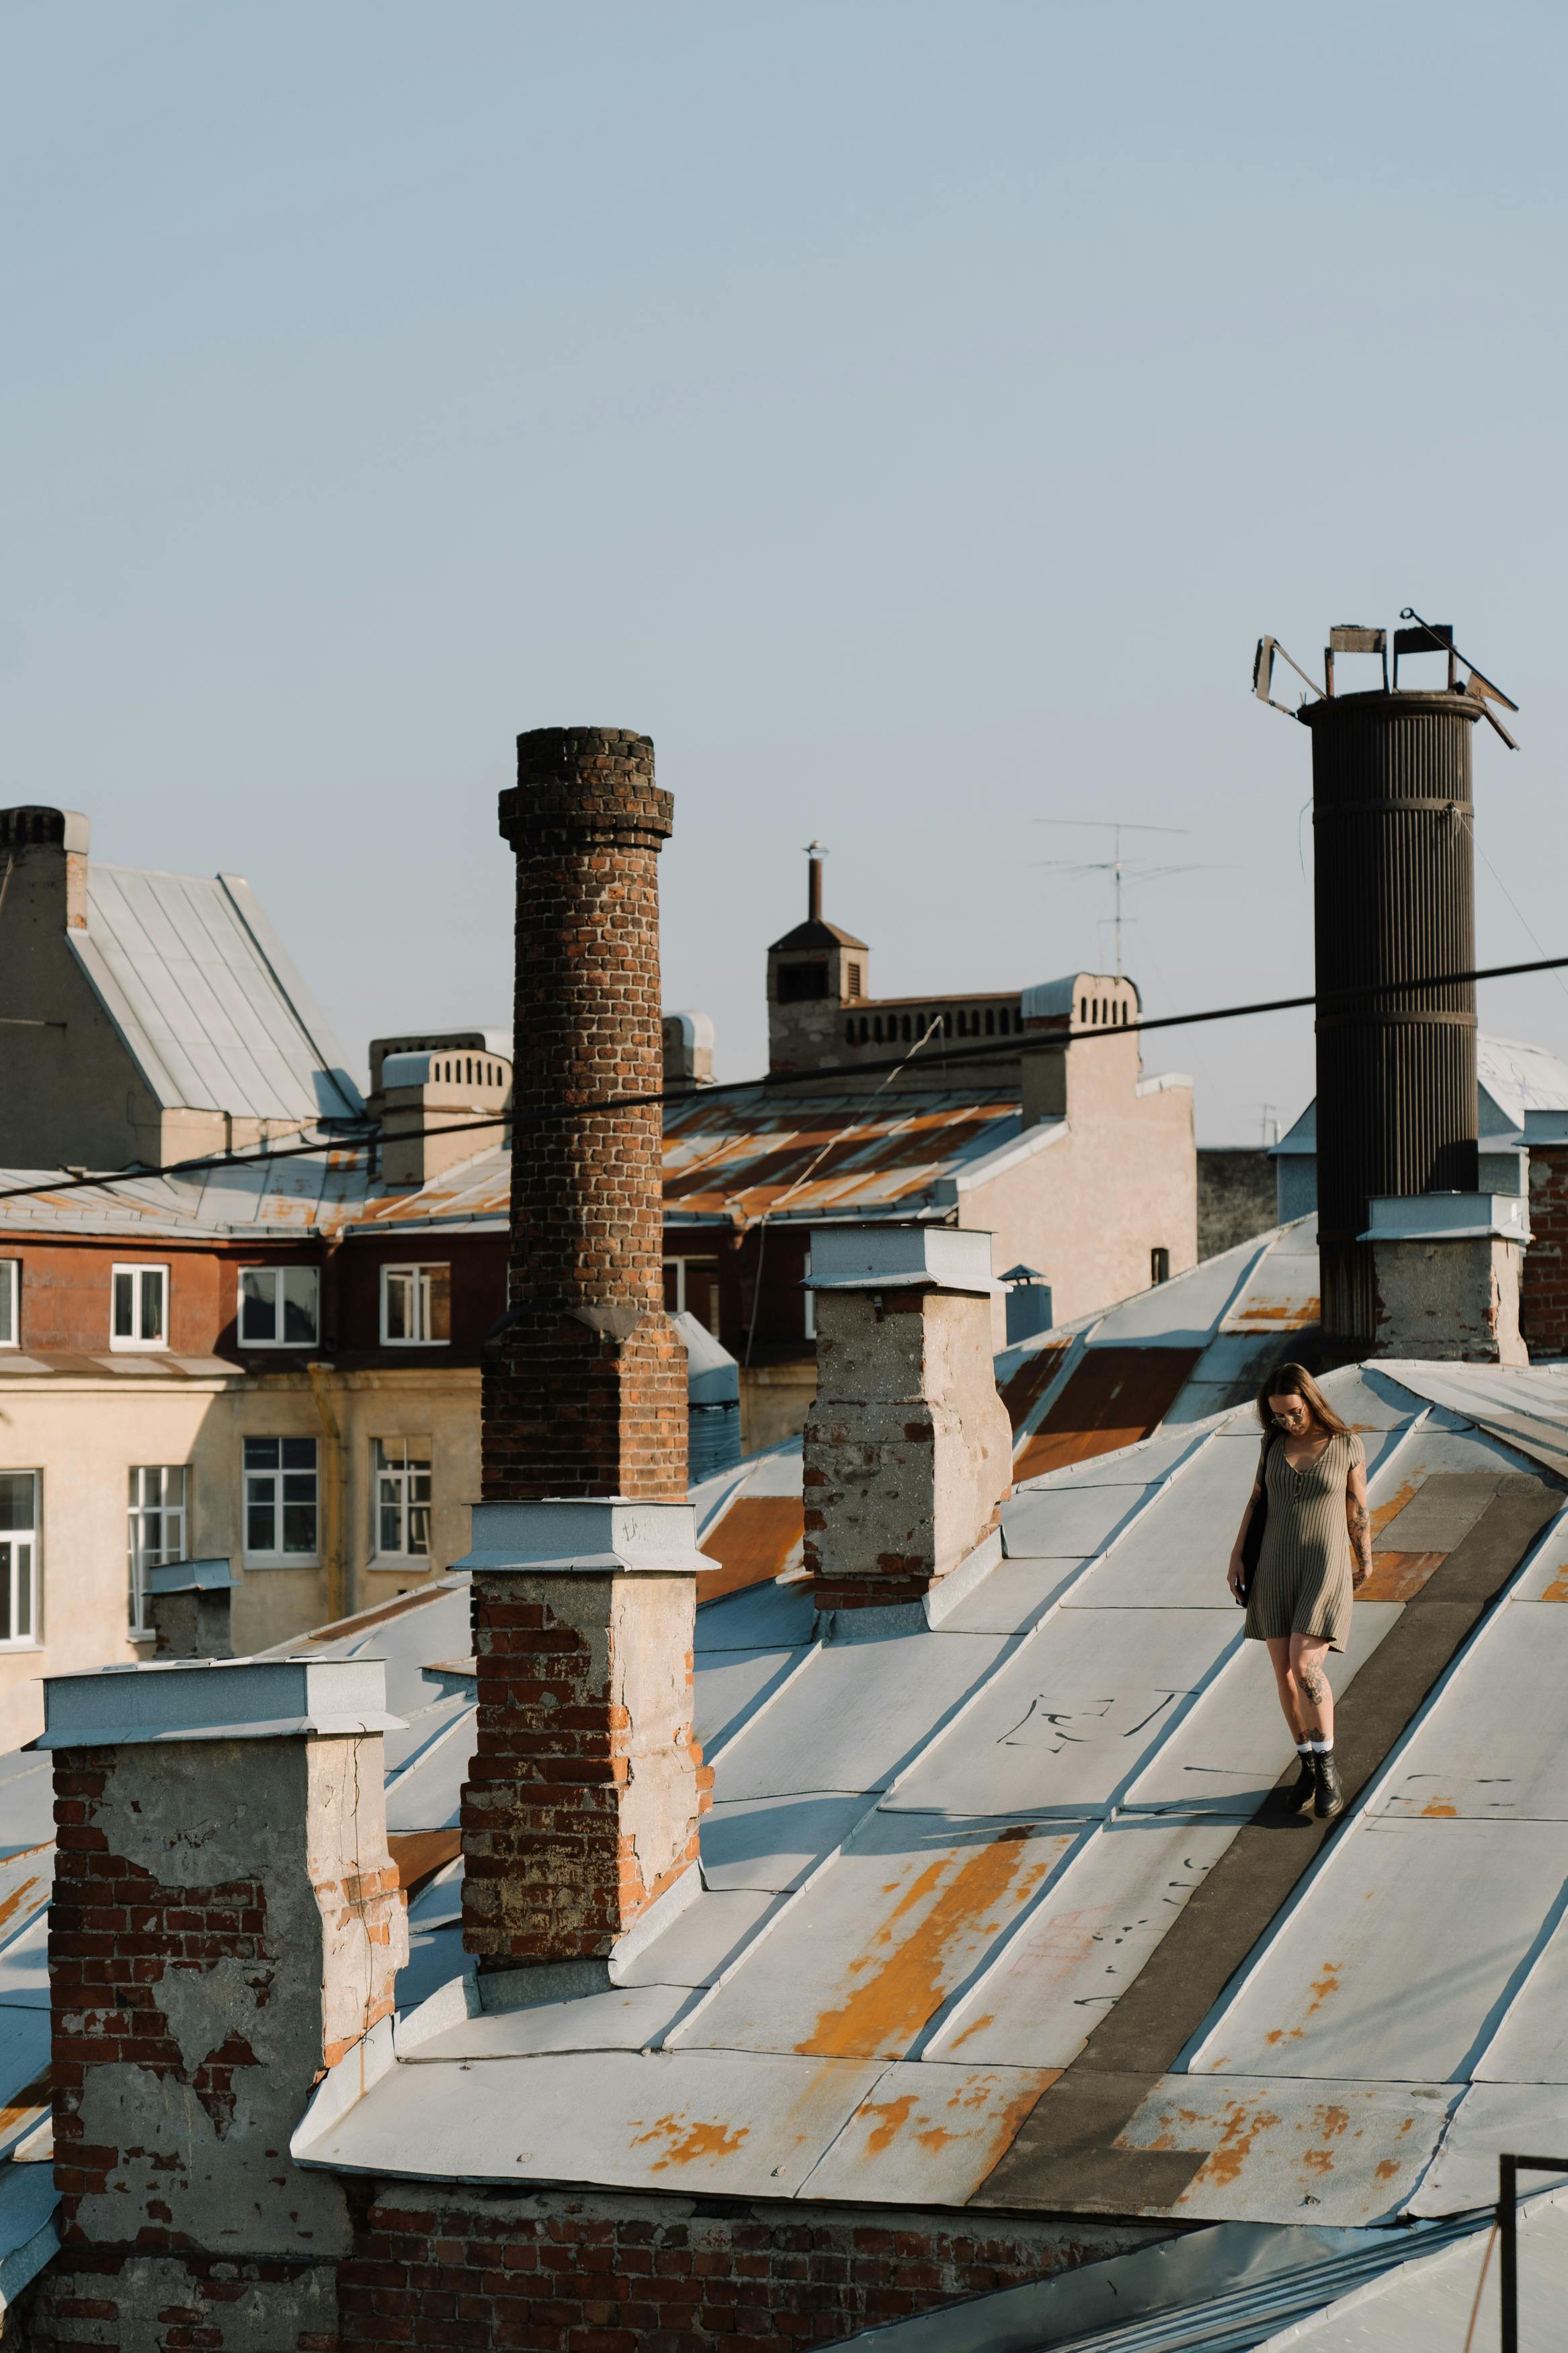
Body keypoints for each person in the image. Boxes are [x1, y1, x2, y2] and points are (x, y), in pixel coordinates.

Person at [1226, 1363, 1372, 1820]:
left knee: (1305, 1664)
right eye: (1277, 1416)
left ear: (1310, 1400)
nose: (1287, 1423)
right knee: (1283, 1674)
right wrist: (1236, 1557)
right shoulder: (1271, 1444)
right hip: (1273, 1567)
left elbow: (1357, 1508)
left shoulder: (1347, 1445)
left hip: (1324, 1567)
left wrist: (1365, 1559)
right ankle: (1307, 1765)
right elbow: (1256, 1500)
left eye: (1293, 1413)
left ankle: (1328, 1770)